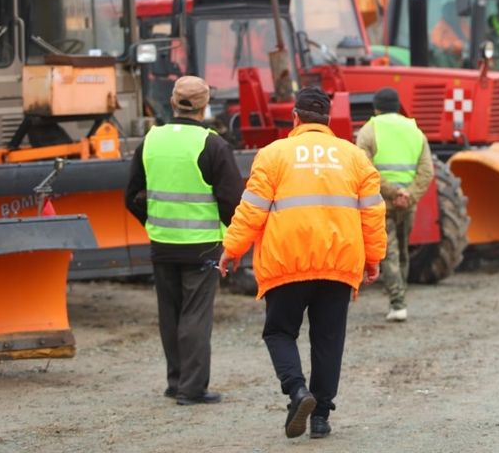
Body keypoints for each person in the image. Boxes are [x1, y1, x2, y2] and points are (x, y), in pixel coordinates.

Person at [218, 87, 386, 440]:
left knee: (279, 332)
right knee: (328, 339)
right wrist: (373, 259)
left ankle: (298, 392)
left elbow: (252, 209)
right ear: (327, 120)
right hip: (338, 264)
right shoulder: (355, 157)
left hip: (286, 262)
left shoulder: (273, 154)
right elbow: (372, 214)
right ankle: (321, 417)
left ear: (294, 118)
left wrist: (232, 248)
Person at [124, 75, 243, 406]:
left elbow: (132, 195)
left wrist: (152, 224)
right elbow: (233, 201)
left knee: (170, 313)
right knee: (195, 315)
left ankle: (175, 382)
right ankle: (191, 389)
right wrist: (233, 241)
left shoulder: (151, 140)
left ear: (173, 103)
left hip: (162, 243)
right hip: (202, 244)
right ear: (204, 107)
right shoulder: (213, 144)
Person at [356, 87, 434, 322]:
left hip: (382, 203)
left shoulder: (368, 131)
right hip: (407, 204)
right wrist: (408, 195)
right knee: (402, 251)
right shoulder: (415, 130)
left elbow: (364, 168)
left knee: (388, 252)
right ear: (398, 106)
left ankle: (398, 303)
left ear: (376, 108)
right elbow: (426, 171)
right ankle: (401, 297)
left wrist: (392, 192)